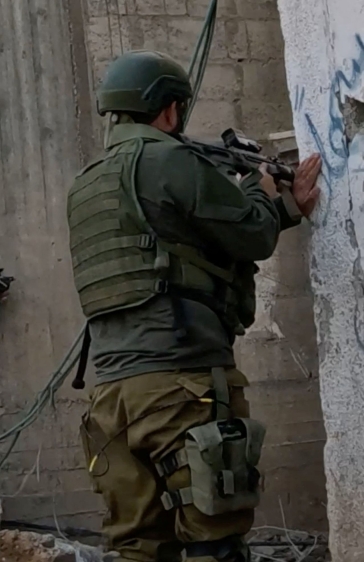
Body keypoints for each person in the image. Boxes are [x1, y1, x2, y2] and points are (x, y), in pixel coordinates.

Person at [66, 50, 322, 562]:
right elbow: (249, 233)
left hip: (111, 396)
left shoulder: (86, 182)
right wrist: (264, 188)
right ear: (168, 109)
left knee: (137, 547)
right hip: (179, 384)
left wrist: (280, 206)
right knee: (214, 539)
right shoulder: (170, 160)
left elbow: (173, 246)